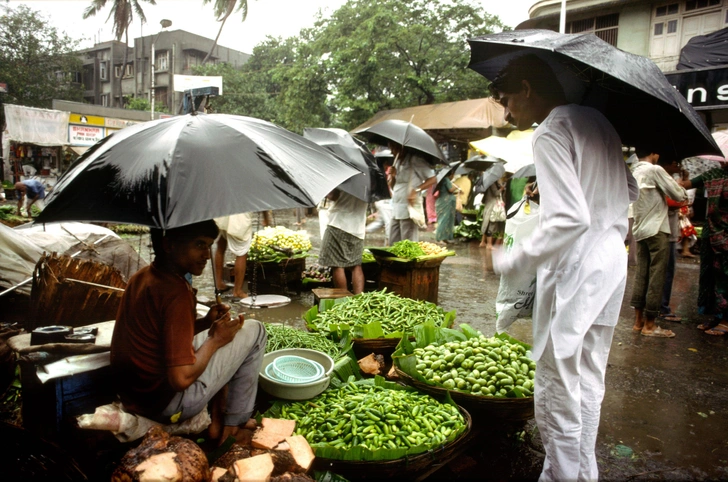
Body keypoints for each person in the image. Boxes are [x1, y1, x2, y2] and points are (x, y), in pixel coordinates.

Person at [488, 54, 639, 481]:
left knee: (556, 383)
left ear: (527, 88)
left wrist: (511, 260)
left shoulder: (551, 129)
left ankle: (562, 476)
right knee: (589, 374)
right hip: (610, 261)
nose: (506, 111)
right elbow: (628, 187)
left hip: (576, 266)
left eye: (506, 99)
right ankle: (581, 473)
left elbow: (570, 219)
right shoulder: (597, 122)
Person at [110, 220, 267, 444]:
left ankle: (217, 419)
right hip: (167, 404)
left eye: (210, 245)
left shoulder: (143, 276)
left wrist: (205, 323)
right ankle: (232, 427)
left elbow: (163, 334)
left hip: (135, 396)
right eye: (200, 245)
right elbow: (180, 379)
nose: (206, 254)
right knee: (256, 330)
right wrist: (214, 340)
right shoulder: (175, 293)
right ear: (168, 244)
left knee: (225, 337)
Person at [630, 149, 686, 338]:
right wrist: (679, 184)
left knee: (641, 274)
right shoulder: (654, 170)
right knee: (657, 275)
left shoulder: (633, 170)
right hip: (656, 229)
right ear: (654, 153)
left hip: (640, 229)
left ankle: (638, 322)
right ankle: (650, 325)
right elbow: (679, 195)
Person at [680, 164, 728, 335]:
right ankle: (716, 316)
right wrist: (682, 176)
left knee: (725, 275)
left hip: (726, 234)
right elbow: (686, 185)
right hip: (711, 233)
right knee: (710, 275)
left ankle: (725, 320)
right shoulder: (714, 173)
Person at [318, 188, 368, 294]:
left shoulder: (345, 175)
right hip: (358, 227)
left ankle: (343, 300)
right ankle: (359, 298)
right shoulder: (368, 179)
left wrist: (325, 191)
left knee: (337, 265)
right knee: (356, 265)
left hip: (338, 223)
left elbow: (334, 196)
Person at [387, 142, 436, 244]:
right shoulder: (397, 161)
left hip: (408, 209)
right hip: (396, 207)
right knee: (393, 241)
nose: (392, 152)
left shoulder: (415, 160)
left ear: (401, 147)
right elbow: (394, 186)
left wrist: (416, 190)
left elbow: (432, 179)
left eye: (393, 148)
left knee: (408, 243)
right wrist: (393, 176)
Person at [660, 158, 689, 323]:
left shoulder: (665, 178)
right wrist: (681, 189)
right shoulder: (663, 178)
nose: (677, 164)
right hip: (666, 230)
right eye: (674, 162)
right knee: (666, 271)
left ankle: (659, 307)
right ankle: (662, 308)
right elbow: (676, 201)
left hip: (667, 229)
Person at [214, 213, 253, 301]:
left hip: (223, 213)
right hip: (239, 217)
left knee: (221, 244)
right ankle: (237, 291)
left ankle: (219, 283)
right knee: (242, 251)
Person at [479, 178, 506, 249]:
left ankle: (483, 242)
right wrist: (501, 189)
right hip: (492, 206)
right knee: (491, 224)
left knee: (487, 223)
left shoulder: (490, 182)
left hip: (489, 205)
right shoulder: (492, 183)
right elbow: (496, 193)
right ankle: (489, 244)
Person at [434, 169, 460, 244]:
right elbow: (450, 190)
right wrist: (456, 186)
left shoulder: (443, 180)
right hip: (445, 202)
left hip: (445, 202)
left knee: (447, 220)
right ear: (451, 174)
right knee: (443, 220)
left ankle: (445, 237)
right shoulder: (446, 179)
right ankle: (440, 238)